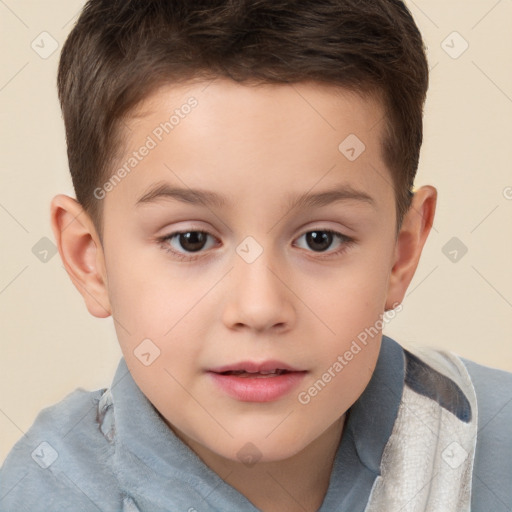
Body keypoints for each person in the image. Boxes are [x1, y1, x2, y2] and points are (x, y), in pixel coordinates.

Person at [1, 1, 511, 511]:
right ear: (91, 260)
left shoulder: (495, 446)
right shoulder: (44, 494)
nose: (260, 307)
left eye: (320, 239)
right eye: (191, 240)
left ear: (401, 254)